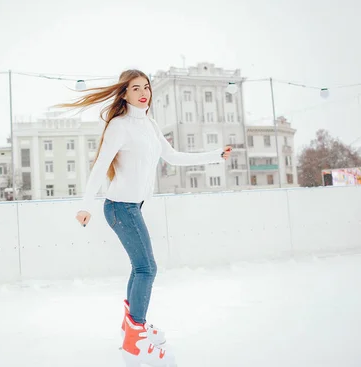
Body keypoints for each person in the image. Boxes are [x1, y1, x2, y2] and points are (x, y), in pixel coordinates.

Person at [57, 69, 231, 367]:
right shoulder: (119, 126)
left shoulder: (149, 124)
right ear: (124, 93)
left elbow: (173, 157)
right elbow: (100, 165)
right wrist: (85, 205)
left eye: (147, 87)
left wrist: (215, 155)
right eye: (136, 88)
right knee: (146, 268)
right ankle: (135, 339)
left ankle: (132, 327)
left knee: (140, 268)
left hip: (133, 207)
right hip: (119, 208)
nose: (143, 92)